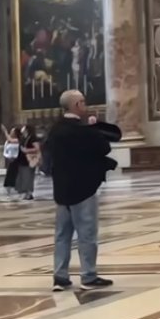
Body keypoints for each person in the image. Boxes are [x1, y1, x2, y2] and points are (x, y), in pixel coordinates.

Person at [46, 90, 115, 291]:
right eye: (83, 102)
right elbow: (104, 148)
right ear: (77, 105)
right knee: (87, 234)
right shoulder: (82, 130)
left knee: (62, 235)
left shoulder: (55, 130)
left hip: (61, 191)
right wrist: (95, 127)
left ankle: (60, 276)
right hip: (83, 189)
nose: (85, 106)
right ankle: (88, 275)